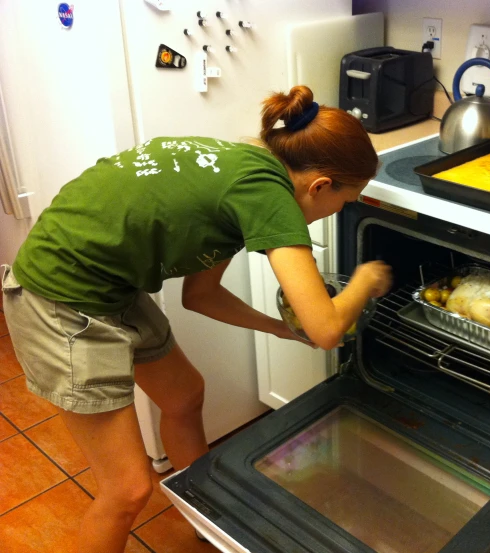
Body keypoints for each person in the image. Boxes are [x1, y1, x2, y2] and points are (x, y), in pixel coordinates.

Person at [1, 85, 392, 553]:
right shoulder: (268, 196)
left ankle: (204, 522)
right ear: (321, 185)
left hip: (108, 283)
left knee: (184, 397)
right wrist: (365, 280)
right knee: (126, 490)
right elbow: (327, 329)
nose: (342, 209)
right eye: (348, 200)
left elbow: (201, 296)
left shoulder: (246, 167)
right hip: (58, 296)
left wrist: (276, 327)